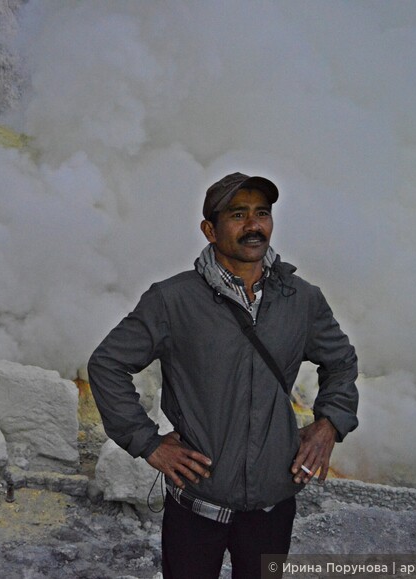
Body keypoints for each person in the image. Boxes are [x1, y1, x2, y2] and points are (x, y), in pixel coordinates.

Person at [87, 172, 359, 579]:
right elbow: (107, 364)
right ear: (210, 230)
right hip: (197, 504)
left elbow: (340, 362)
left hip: (272, 505)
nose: (254, 225)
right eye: (238, 215)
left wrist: (329, 424)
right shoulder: (172, 300)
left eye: (262, 213)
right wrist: (147, 443)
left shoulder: (301, 299)